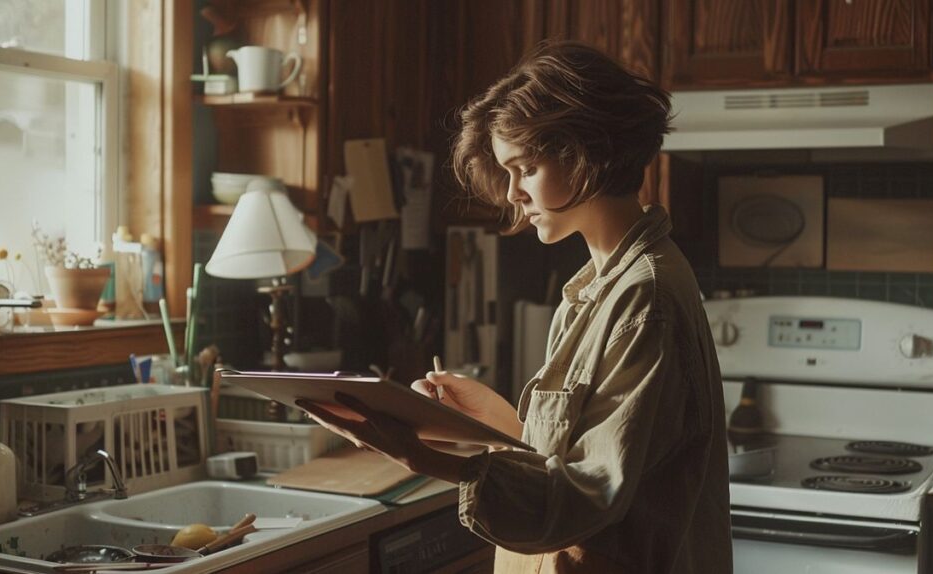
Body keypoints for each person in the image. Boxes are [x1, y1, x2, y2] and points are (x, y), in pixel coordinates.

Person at [298, 41, 732, 573]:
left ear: (587, 154)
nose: (512, 193)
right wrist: (496, 424)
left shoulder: (646, 297)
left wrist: (417, 455)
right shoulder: (593, 287)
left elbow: (587, 497)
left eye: (524, 168)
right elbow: (575, 459)